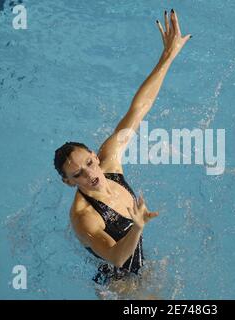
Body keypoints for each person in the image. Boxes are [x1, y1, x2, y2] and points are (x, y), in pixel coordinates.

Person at [53, 9, 191, 295]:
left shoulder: (110, 161)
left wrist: (168, 56)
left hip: (138, 263)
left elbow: (139, 108)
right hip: (119, 283)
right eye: (78, 174)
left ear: (95, 154)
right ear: (69, 182)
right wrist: (138, 226)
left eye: (90, 162)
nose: (92, 174)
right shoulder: (84, 217)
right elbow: (116, 256)